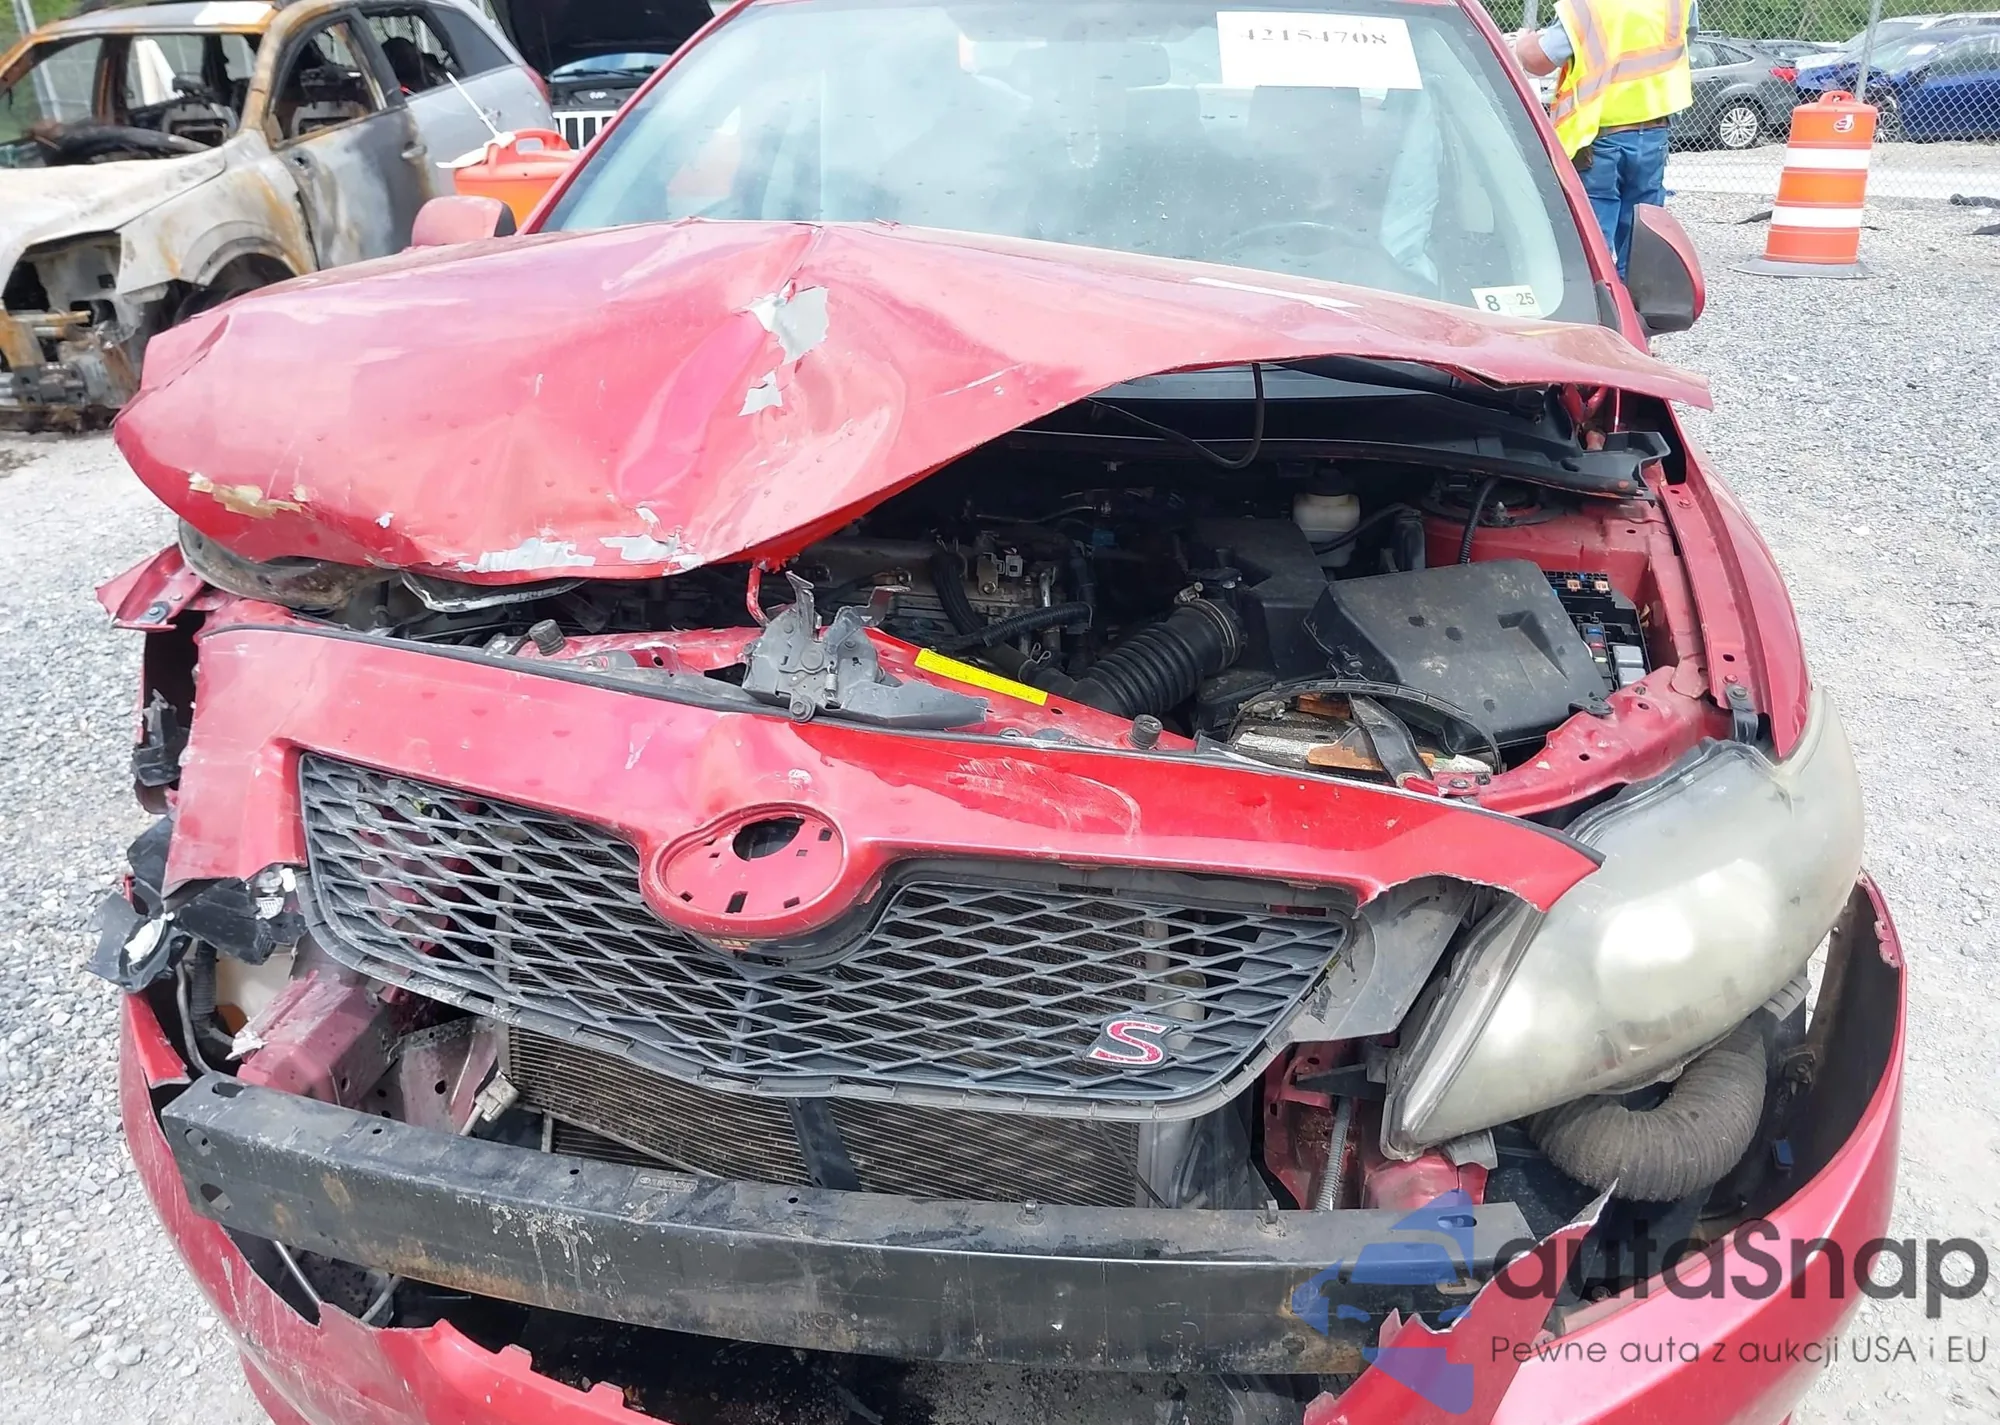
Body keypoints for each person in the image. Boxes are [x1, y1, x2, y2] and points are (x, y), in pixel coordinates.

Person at [1514, 0, 1696, 278]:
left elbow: (1538, 61)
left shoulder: (1586, 5)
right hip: (1654, 130)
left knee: (1594, 235)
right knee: (1642, 233)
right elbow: (1685, 38)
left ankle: (1600, 298)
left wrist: (1524, 42)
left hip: (1599, 136)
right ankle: (1634, 299)